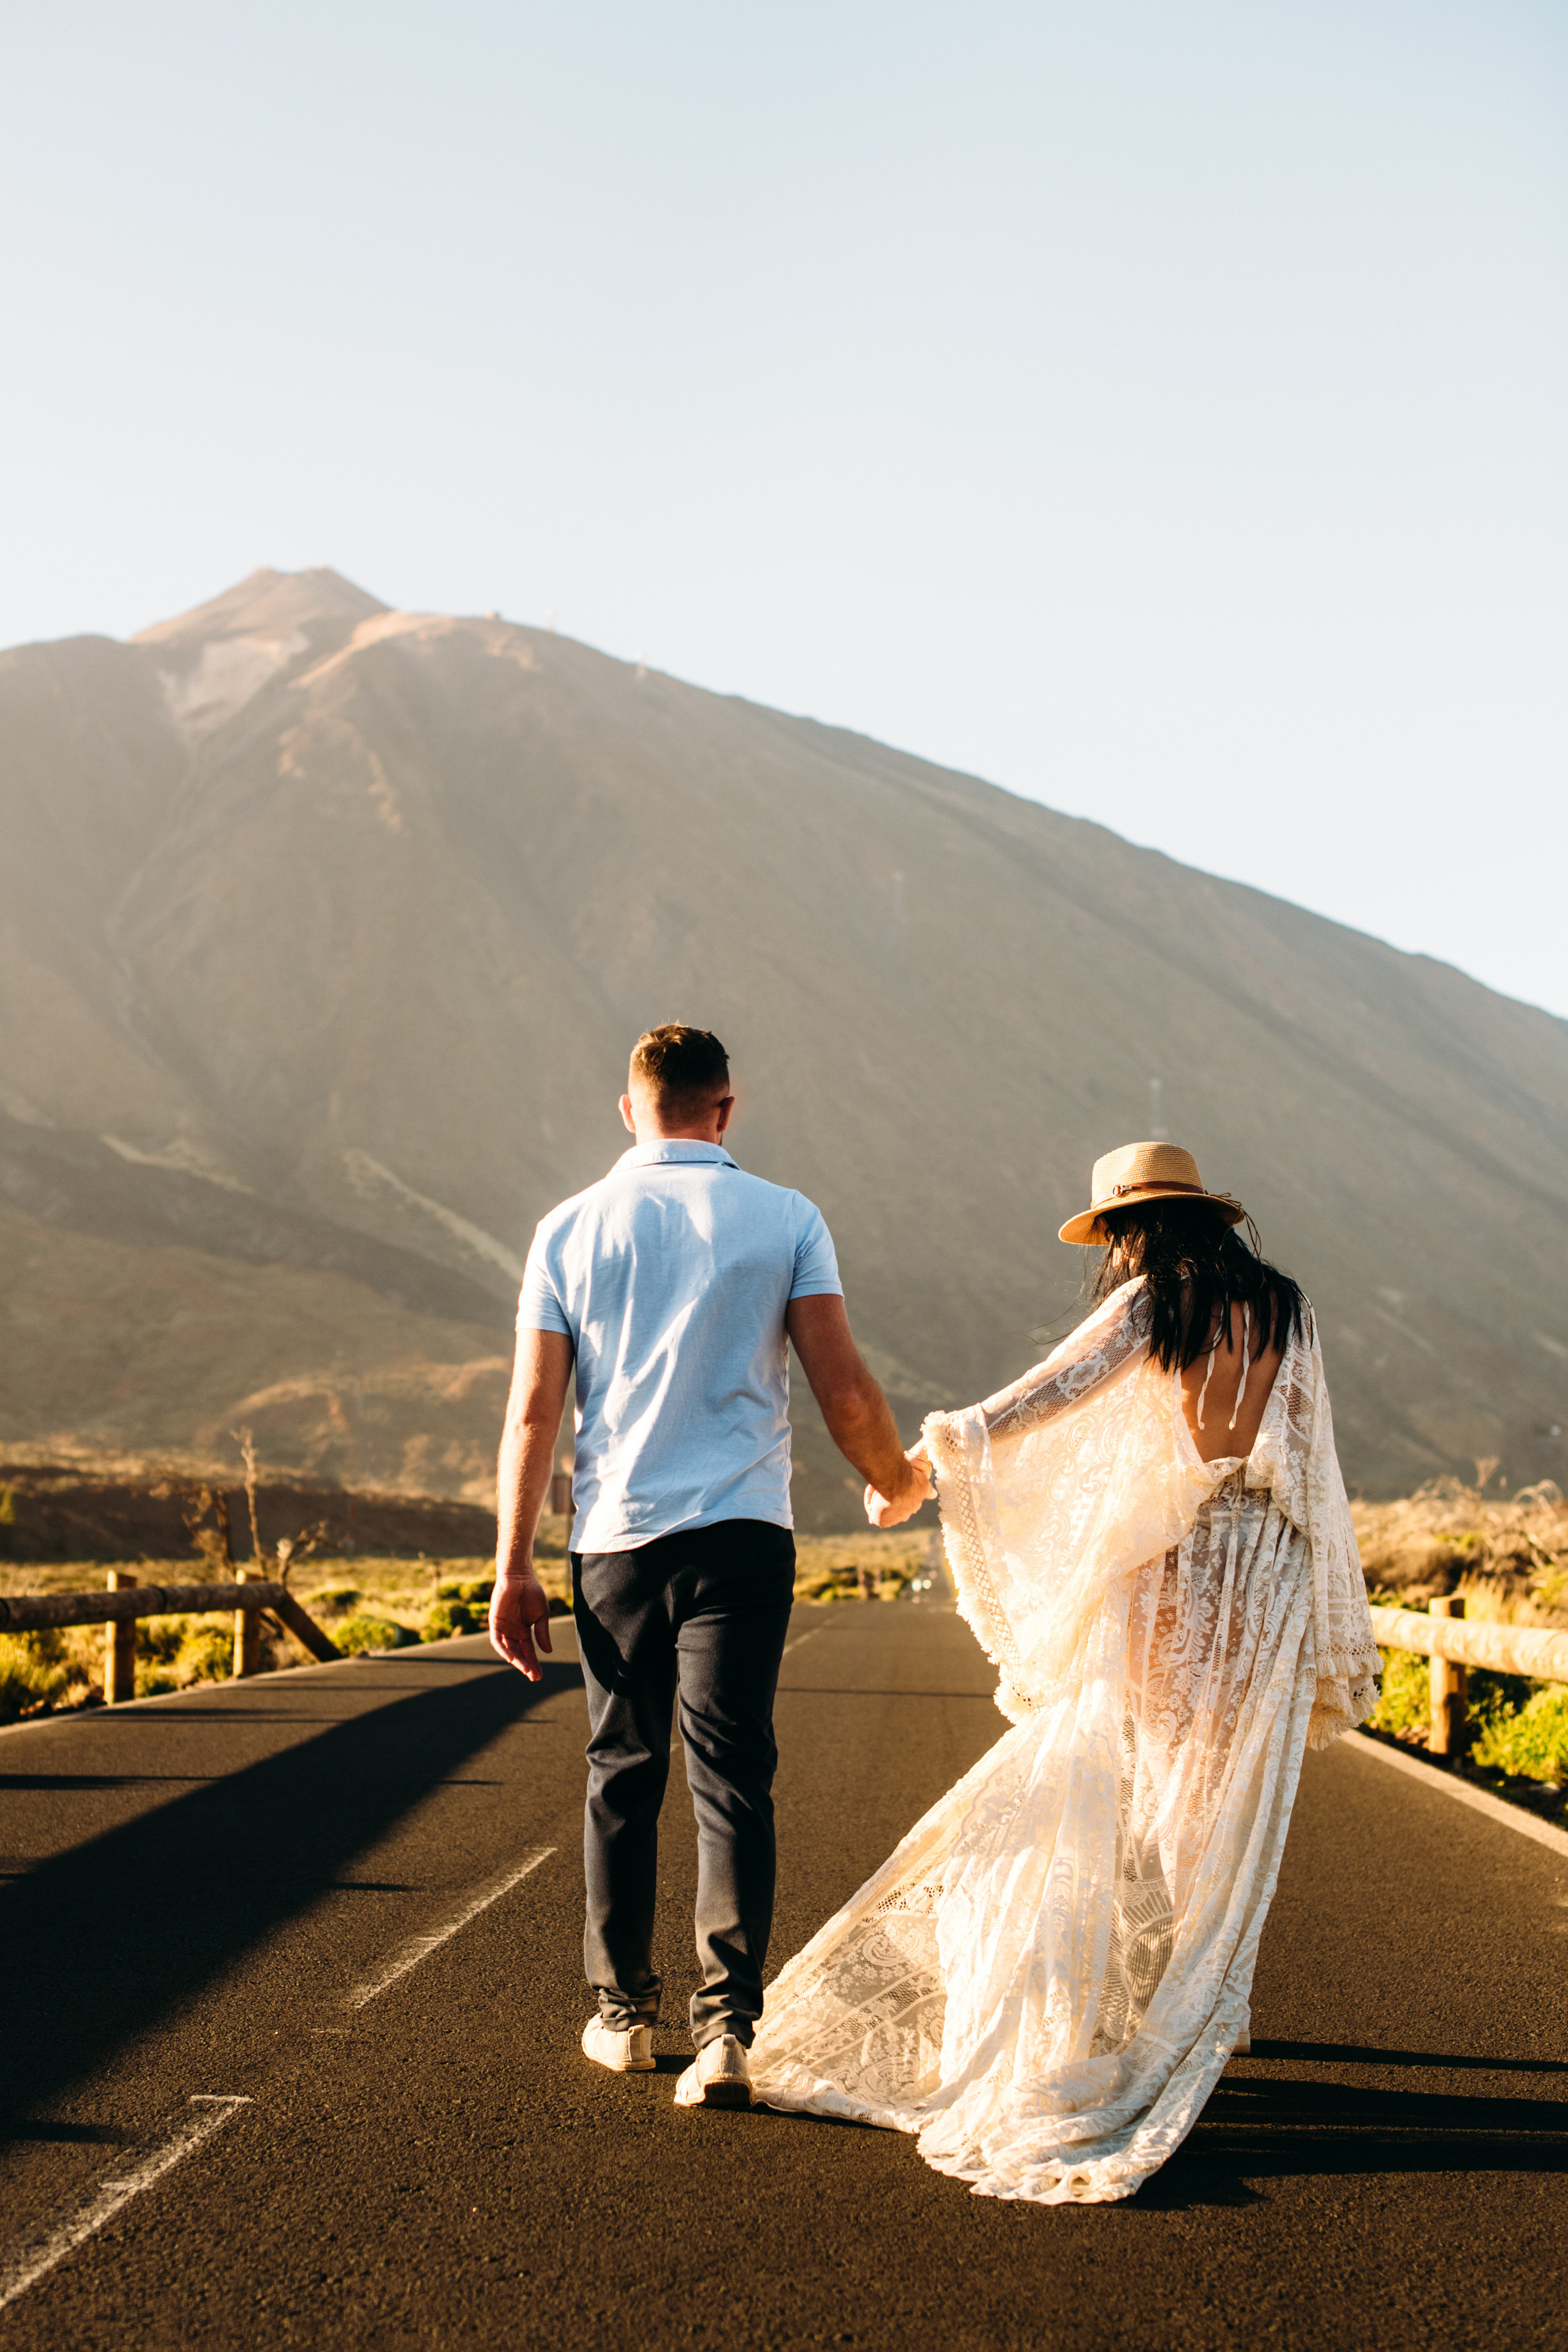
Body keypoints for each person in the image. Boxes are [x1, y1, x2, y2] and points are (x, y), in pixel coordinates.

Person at [747, 1139, 1381, 2204]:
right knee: (1218, 1794)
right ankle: (1198, 2006)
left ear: (1133, 1228)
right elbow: (1311, 1452)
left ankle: (1143, 2014)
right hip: (1267, 1556)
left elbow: (1042, 1398)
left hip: (1177, 1559)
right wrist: (1321, 1603)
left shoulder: (1152, 1304)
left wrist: (926, 1463)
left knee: (1136, 1775)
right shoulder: (1287, 1308)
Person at [488, 1024, 930, 2109]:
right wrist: (897, 1482)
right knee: (732, 1775)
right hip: (741, 1532)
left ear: (629, 1107)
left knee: (622, 1772)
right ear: (725, 1110)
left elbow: (534, 1413)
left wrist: (512, 1565)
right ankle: (729, 2028)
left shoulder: (567, 1230)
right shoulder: (786, 1218)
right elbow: (844, 1390)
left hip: (615, 1541)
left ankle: (624, 2019)